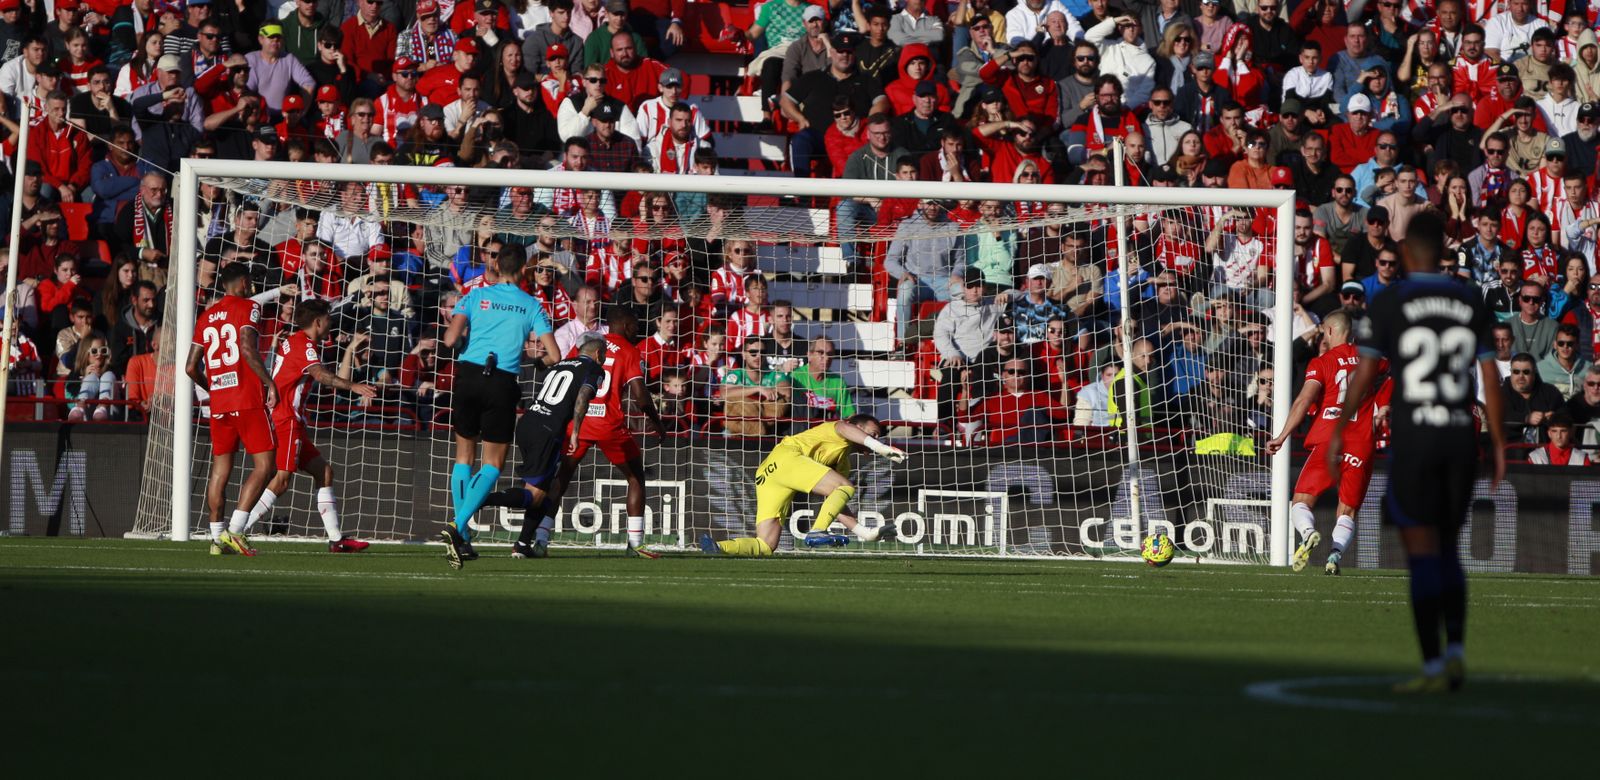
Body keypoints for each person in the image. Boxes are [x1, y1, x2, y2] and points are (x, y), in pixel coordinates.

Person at [1329, 211, 1505, 694]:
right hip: (1458, 438)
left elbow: (1366, 374)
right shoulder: (1469, 299)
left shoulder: (1390, 301)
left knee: (1420, 550)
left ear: (1406, 253)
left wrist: (1342, 425)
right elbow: (1489, 374)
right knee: (1449, 548)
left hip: (1415, 441)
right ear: (1444, 251)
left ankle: (1430, 666)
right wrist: (1499, 442)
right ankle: (1456, 652)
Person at [438, 244, 561, 569]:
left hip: (467, 375)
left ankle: (462, 537)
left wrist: (474, 342)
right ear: (523, 270)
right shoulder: (532, 304)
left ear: (496, 265)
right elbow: (555, 355)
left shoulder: (475, 296)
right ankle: (457, 527)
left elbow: (450, 340)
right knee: (492, 464)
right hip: (501, 381)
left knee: (463, 456)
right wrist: (530, 356)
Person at [524, 307, 666, 559]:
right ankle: (635, 543)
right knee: (635, 477)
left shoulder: (589, 343)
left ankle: (541, 539)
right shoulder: (630, 351)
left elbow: (566, 371)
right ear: (622, 324)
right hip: (609, 424)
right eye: (634, 324)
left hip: (578, 422)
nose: (636, 329)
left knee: (560, 477)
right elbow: (641, 396)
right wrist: (657, 421)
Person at [244, 300, 378, 552]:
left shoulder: (295, 340)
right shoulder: (304, 345)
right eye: (328, 318)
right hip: (285, 419)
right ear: (318, 321)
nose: (331, 322)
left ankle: (336, 540)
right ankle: (239, 531)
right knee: (282, 480)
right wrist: (353, 386)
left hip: (289, 418)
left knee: (323, 471)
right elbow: (320, 375)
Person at [1265, 312, 1386, 575]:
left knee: (1301, 501)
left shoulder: (1321, 363)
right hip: (1360, 442)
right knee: (1348, 510)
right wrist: (1384, 403)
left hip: (1329, 439)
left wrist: (1282, 435)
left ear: (1329, 332)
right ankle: (1334, 556)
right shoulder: (1371, 358)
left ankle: (1308, 533)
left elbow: (1303, 401)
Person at [479, 331, 609, 558]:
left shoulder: (559, 364)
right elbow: (582, 398)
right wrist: (576, 432)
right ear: (597, 353)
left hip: (528, 422)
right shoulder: (594, 368)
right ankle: (480, 499)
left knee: (550, 488)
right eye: (604, 355)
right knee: (535, 496)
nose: (605, 359)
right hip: (547, 431)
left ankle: (522, 545)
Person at [700, 414, 906, 556]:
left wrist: (865, 533)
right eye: (873, 433)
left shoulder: (843, 464)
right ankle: (817, 532)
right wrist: (881, 448)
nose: (875, 438)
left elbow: (835, 500)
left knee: (766, 545)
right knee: (844, 486)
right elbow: (845, 428)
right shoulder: (836, 428)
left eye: (878, 436)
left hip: (767, 474)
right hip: (787, 457)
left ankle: (720, 547)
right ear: (855, 425)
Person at [185, 264, 278, 557]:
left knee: (220, 471)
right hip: (247, 398)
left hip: (220, 404)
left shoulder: (206, 315)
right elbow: (248, 348)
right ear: (242, 281)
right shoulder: (249, 307)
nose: (251, 286)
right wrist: (269, 383)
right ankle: (236, 531)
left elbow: (190, 367)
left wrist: (212, 389)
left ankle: (216, 538)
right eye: (249, 280)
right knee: (266, 466)